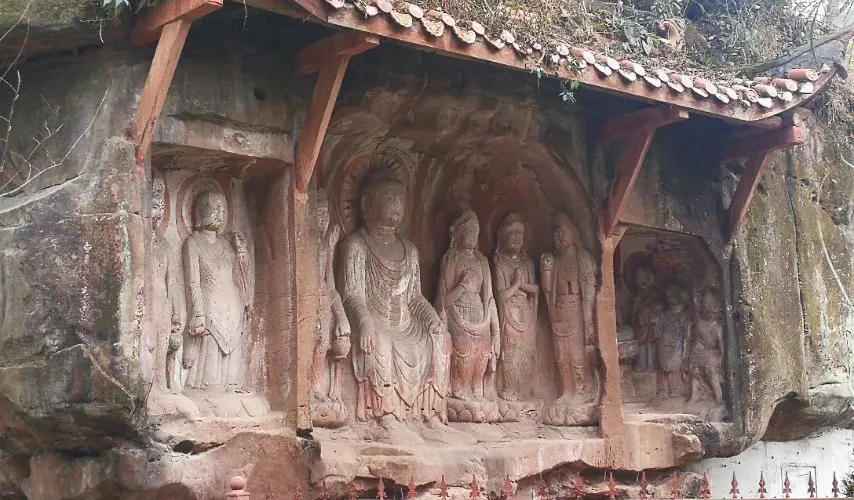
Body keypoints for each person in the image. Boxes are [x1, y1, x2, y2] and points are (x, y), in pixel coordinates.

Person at [339, 169, 450, 431]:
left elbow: (414, 297)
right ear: (368, 203)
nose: (397, 205)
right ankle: (385, 417)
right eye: (390, 198)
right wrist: (364, 322)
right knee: (380, 342)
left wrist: (433, 319)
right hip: (377, 322)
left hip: (406, 323)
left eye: (400, 199)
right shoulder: (356, 246)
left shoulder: (409, 250)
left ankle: (430, 415)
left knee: (440, 338)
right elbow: (351, 294)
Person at [182, 189, 251, 392]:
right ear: (201, 211)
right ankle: (207, 389)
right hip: (208, 303)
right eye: (215, 208)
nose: (220, 214)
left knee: (232, 365)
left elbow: (240, 274)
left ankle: (231, 386)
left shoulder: (227, 243)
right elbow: (192, 282)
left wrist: (241, 251)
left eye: (223, 209)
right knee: (211, 353)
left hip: (233, 303)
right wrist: (198, 313)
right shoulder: (193, 242)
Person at [435, 210, 500, 401]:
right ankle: (459, 389)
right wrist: (463, 286)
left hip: (480, 317)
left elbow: (490, 299)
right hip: (458, 316)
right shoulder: (451, 259)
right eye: (469, 231)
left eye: (476, 232)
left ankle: (477, 388)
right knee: (464, 348)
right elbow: (442, 302)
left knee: (483, 351)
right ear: (457, 234)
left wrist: (496, 332)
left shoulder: (482, 261)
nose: (473, 236)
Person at [541, 212, 597, 404]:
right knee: (561, 354)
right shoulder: (555, 261)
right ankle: (567, 389)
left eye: (563, 232)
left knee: (576, 354)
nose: (560, 236)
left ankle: (583, 389)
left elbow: (589, 288)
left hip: (576, 309)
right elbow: (548, 290)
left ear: (573, 233)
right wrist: (546, 272)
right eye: (557, 233)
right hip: (559, 310)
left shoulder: (582, 257)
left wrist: (588, 317)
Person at [492, 212, 538, 401]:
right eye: (513, 234)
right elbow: (501, 295)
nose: (517, 239)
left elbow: (535, 289)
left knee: (527, 350)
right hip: (509, 312)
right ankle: (509, 388)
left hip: (525, 312)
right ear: (503, 236)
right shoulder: (499, 262)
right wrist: (515, 285)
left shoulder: (527, 263)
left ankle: (525, 389)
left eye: (520, 235)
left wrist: (522, 285)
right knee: (510, 350)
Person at [655, 279, 691, 398]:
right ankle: (663, 389)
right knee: (663, 367)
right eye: (668, 293)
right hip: (663, 343)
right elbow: (658, 331)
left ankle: (676, 389)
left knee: (676, 366)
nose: (670, 296)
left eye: (673, 293)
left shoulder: (685, 315)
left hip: (677, 343)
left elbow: (687, 333)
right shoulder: (664, 314)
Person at [687, 288, 724, 404]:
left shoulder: (718, 328)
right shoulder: (699, 322)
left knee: (711, 373)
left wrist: (720, 361)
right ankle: (695, 395)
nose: (710, 314)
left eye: (712, 311)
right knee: (694, 371)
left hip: (712, 354)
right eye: (707, 310)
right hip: (699, 353)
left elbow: (722, 349)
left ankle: (718, 399)